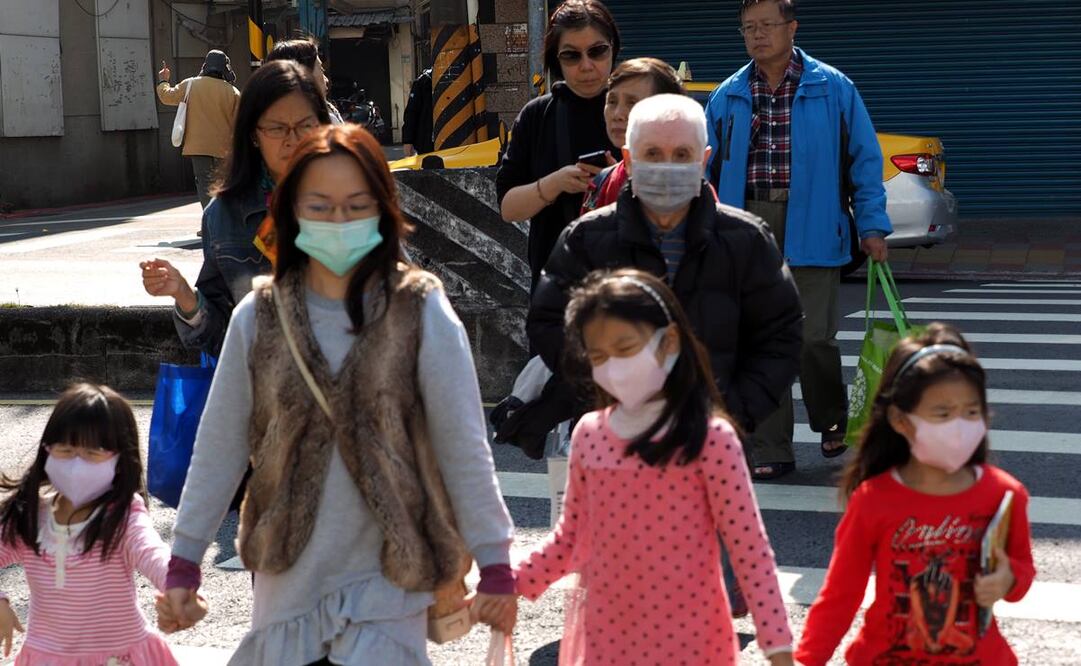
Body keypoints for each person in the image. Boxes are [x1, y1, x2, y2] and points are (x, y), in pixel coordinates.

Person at [156, 124, 516, 665]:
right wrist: (183, 562)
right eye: (319, 206)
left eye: (356, 205)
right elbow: (220, 448)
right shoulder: (259, 317)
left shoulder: (421, 309)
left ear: (383, 208)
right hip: (286, 588)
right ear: (290, 214)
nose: (338, 220)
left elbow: (464, 448)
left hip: (388, 589)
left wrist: (496, 563)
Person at [515, 269, 794, 665]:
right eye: (598, 356)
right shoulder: (589, 435)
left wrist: (777, 643)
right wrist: (508, 584)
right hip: (605, 644)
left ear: (670, 344)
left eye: (625, 348)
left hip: (694, 647)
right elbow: (570, 540)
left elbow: (749, 551)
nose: (612, 366)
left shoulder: (712, 439)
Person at [529, 93, 802, 446]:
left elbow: (781, 335)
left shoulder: (747, 240)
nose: (667, 166)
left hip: (711, 443)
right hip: (611, 438)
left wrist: (732, 414)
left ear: (704, 160)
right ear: (628, 159)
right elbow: (550, 325)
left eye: (682, 155)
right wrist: (605, 394)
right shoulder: (586, 238)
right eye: (653, 154)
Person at [705, 0, 892, 480]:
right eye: (749, 28)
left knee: (813, 337)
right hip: (746, 221)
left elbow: (865, 162)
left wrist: (871, 227)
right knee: (757, 340)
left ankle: (829, 419)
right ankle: (771, 447)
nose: (758, 35)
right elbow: (704, 169)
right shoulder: (727, 95)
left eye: (767, 25)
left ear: (792, 27)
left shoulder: (833, 88)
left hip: (813, 221)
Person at [796, 323, 1035, 665]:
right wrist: (808, 659)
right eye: (942, 413)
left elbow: (1022, 573)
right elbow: (840, 594)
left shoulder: (1005, 494)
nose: (961, 424)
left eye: (972, 411)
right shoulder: (873, 499)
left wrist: (1007, 578)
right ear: (900, 420)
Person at [140, 60, 332, 357]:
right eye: (277, 128)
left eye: (305, 125)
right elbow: (220, 336)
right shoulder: (223, 216)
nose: (292, 140)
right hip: (266, 388)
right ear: (254, 134)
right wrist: (185, 296)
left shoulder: (350, 201)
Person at [0, 383, 202, 665]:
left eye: (93, 453)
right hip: (46, 657)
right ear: (47, 450)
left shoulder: (124, 515)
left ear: (120, 460)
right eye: (65, 450)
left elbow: (152, 552)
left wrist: (180, 586)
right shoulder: (30, 515)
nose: (76, 464)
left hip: (120, 658)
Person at [496, 0, 621, 289]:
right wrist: (556, 183)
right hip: (557, 286)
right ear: (556, 60)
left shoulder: (641, 109)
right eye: (571, 56)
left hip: (630, 284)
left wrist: (621, 181)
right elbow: (508, 207)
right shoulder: (537, 116)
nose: (587, 65)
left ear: (613, 48)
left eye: (597, 51)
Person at [580, 57, 686, 215]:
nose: (617, 114)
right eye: (612, 101)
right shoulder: (602, 183)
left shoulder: (687, 187)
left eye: (632, 102)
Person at [156, 50, 241, 209]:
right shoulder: (233, 92)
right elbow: (240, 122)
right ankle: (222, 221)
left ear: (205, 65)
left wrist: (163, 81)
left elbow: (167, 96)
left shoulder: (191, 85)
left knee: (204, 184)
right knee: (223, 185)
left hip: (198, 146)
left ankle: (209, 223)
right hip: (224, 148)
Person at [265, 37, 345, 124]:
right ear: (303, 76)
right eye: (321, 70)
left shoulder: (262, 121)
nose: (326, 80)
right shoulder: (324, 122)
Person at [402, 68, 435, 156]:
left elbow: (411, 112)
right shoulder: (424, 81)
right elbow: (411, 113)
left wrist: (408, 141)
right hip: (427, 143)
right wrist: (408, 141)